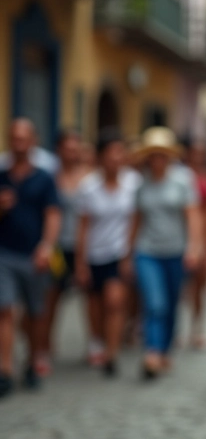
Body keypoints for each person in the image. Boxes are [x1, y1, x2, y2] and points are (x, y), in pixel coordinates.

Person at [127, 127, 203, 379]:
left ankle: (165, 349)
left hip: (175, 251)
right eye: (153, 154)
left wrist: (194, 247)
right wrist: (127, 253)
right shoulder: (141, 182)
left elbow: (192, 216)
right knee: (155, 302)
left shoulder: (183, 178)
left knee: (171, 304)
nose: (157, 158)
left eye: (162, 153)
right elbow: (136, 220)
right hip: (146, 251)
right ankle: (152, 352)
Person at [0, 119, 61, 397]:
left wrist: (47, 246)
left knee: (36, 314)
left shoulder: (44, 178)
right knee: (6, 310)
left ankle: (32, 362)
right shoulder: (2, 175)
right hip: (5, 254)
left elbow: (53, 214)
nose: (18, 143)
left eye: (23, 138)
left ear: (33, 141)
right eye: (14, 138)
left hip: (34, 254)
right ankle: (5, 370)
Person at [74, 130, 141, 376]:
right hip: (93, 254)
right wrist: (80, 264)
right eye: (111, 153)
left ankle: (111, 354)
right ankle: (96, 341)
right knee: (95, 304)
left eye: (120, 152)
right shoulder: (88, 187)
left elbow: (137, 221)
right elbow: (82, 227)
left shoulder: (133, 183)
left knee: (115, 302)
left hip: (119, 252)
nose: (116, 158)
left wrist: (129, 254)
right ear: (101, 157)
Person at [40, 129, 89, 374]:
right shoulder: (49, 176)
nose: (71, 153)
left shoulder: (89, 177)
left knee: (90, 296)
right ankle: (44, 347)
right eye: (67, 148)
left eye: (75, 148)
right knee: (52, 296)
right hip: (57, 246)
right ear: (59, 150)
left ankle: (94, 343)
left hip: (83, 246)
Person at [183, 136, 206, 350]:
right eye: (195, 152)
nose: (198, 156)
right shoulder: (181, 176)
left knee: (199, 284)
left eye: (202, 153)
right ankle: (178, 328)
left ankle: (197, 327)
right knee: (179, 285)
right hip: (181, 232)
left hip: (200, 231)